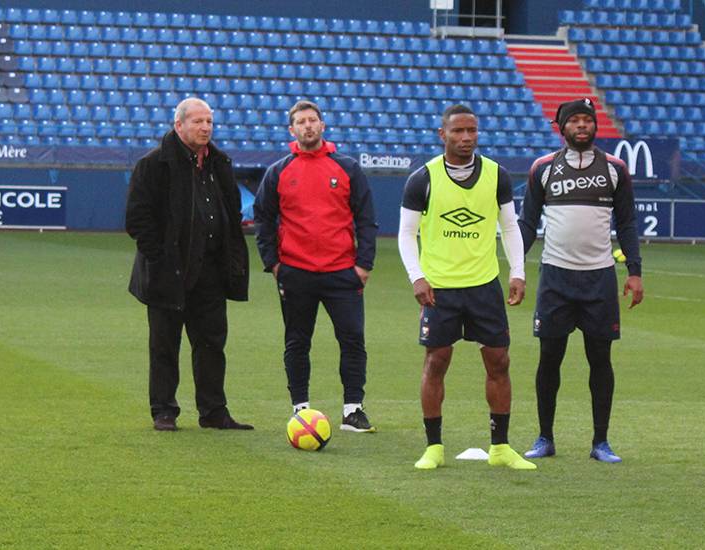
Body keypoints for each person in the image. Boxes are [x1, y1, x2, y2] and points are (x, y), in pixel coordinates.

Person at [398, 104, 535, 470]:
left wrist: (517, 271)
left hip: (483, 286)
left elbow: (509, 226)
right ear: (442, 134)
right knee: (437, 361)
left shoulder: (496, 175)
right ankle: (434, 447)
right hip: (439, 288)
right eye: (458, 131)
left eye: (472, 131)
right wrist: (417, 276)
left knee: (499, 361)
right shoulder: (422, 179)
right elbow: (406, 234)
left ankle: (501, 447)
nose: (466, 138)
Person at [518, 98, 644, 462]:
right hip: (555, 276)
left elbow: (628, 224)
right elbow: (527, 223)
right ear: (562, 127)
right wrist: (516, 266)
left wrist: (634, 272)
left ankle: (600, 442)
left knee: (600, 359)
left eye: (587, 120)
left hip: (599, 279)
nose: (582, 126)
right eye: (574, 120)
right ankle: (545, 438)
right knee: (549, 358)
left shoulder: (615, 169)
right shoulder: (542, 169)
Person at [126, 97, 253, 432]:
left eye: (209, 121)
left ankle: (214, 411)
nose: (205, 128)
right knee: (165, 344)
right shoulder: (154, 165)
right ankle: (164, 411)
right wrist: (161, 259)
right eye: (198, 121)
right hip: (168, 273)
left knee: (212, 344)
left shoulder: (220, 163)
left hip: (210, 272)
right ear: (178, 125)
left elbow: (233, 212)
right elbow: (138, 220)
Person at [254, 100, 378, 432]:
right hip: (296, 272)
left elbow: (367, 219)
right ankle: (301, 408)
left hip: (342, 271)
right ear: (291, 130)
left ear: (322, 126)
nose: (308, 126)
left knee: (352, 339)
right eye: (301, 122)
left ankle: (353, 409)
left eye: (313, 120)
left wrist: (363, 264)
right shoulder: (279, 171)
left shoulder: (347, 167)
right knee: (297, 341)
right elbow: (263, 219)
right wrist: (274, 264)